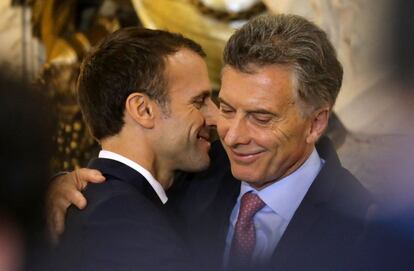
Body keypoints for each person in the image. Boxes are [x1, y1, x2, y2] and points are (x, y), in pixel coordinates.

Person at [48, 14, 374, 270]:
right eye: (228, 108)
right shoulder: (195, 167)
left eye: (261, 118)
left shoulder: (363, 231)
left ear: (316, 123)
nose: (230, 134)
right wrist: (58, 187)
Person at [48, 27, 218, 271]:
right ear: (143, 110)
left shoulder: (103, 202)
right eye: (199, 102)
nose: (216, 117)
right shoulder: (121, 220)